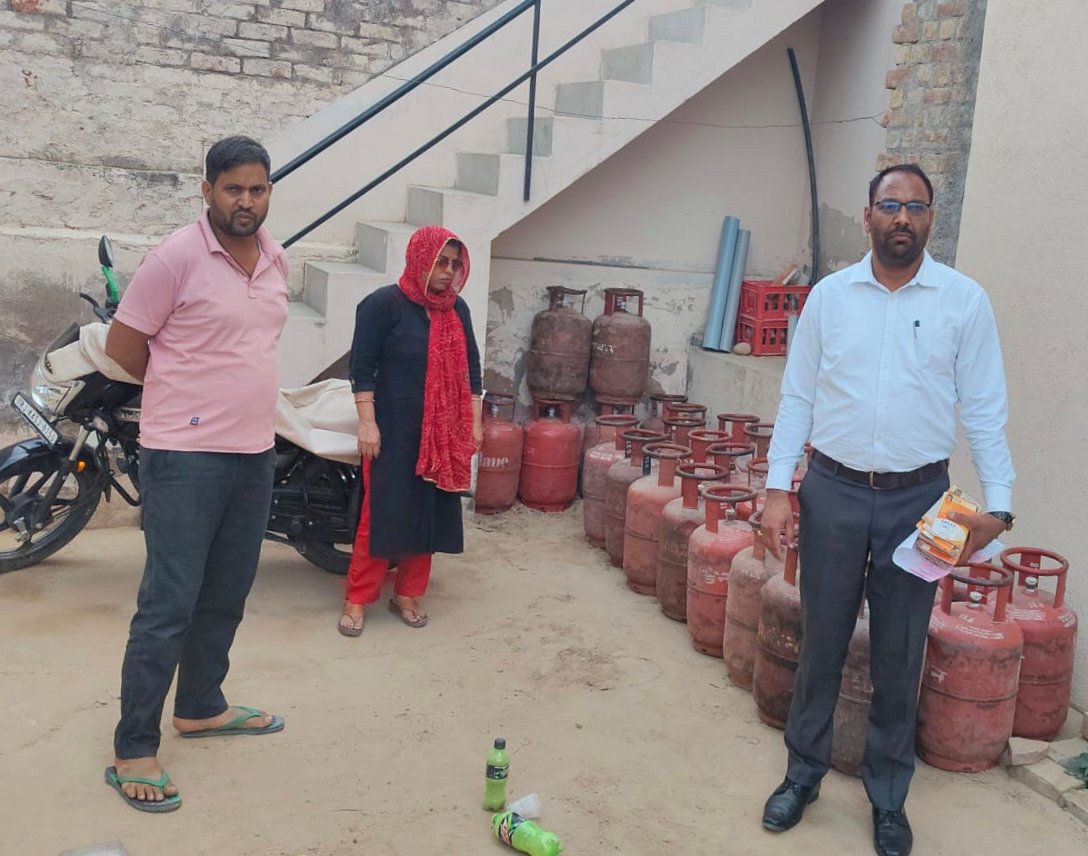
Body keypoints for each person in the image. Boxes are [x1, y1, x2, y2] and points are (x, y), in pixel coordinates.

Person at [758, 163, 1015, 856]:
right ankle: (802, 774)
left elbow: (985, 410)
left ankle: (889, 797)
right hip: (833, 491)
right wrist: (778, 488)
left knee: (899, 654)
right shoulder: (830, 298)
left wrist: (1000, 507)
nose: (903, 217)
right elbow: (797, 398)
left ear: (931, 218)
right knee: (822, 641)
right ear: (869, 213)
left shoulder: (964, 302)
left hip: (924, 503)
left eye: (916, 207)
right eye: (890, 204)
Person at [102, 136, 288, 812]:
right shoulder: (176, 256)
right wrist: (183, 388)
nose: (246, 201)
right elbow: (124, 346)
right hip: (183, 457)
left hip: (253, 454)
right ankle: (133, 748)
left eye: (257, 189)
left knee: (226, 592)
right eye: (233, 188)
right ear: (207, 190)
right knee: (168, 604)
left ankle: (202, 706)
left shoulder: (276, 258)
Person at [337, 225, 483, 637]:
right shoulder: (383, 305)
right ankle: (357, 598)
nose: (448, 271)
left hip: (442, 431)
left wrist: (473, 422)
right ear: (420, 259)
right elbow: (362, 367)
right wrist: (367, 423)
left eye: (454, 264)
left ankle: (408, 593)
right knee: (380, 513)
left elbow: (472, 369)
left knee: (428, 513)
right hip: (393, 429)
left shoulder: (457, 310)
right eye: (440, 261)